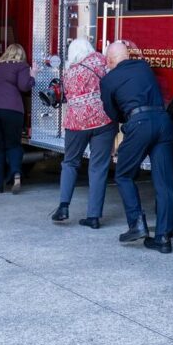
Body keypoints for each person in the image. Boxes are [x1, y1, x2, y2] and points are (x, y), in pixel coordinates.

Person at [100, 41, 173, 251]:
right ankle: (163, 238)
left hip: (139, 124)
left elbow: (112, 114)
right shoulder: (143, 66)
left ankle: (136, 224)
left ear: (109, 60)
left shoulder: (108, 80)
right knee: (164, 182)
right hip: (163, 121)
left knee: (123, 174)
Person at [51, 38, 116, 228]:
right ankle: (94, 217)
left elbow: (65, 95)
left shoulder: (69, 72)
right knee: (98, 167)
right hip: (103, 120)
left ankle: (63, 207)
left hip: (76, 123)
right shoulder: (102, 61)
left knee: (70, 162)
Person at [0, 43, 36, 194]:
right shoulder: (22, 66)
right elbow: (24, 86)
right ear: (21, 55)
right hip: (11, 109)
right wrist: (33, 76)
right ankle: (16, 173)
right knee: (13, 144)